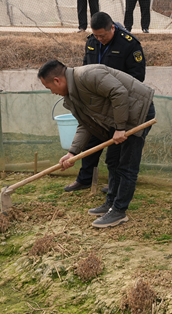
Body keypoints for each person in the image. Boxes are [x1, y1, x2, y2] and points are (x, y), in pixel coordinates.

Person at [38, 60, 155, 228]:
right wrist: (72, 153)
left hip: (137, 112)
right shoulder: (72, 97)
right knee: (112, 161)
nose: (52, 92)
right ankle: (111, 203)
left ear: (57, 80)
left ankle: (119, 211)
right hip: (118, 118)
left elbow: (119, 92)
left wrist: (120, 127)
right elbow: (85, 124)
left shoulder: (88, 75)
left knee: (127, 165)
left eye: (49, 88)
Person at [63, 11, 146, 193]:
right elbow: (85, 68)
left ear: (112, 28)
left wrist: (114, 92)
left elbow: (137, 78)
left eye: (103, 35)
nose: (99, 39)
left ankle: (113, 183)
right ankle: (84, 178)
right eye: (96, 35)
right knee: (91, 141)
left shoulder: (129, 44)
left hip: (118, 105)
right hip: (96, 105)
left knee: (116, 149)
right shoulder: (92, 41)